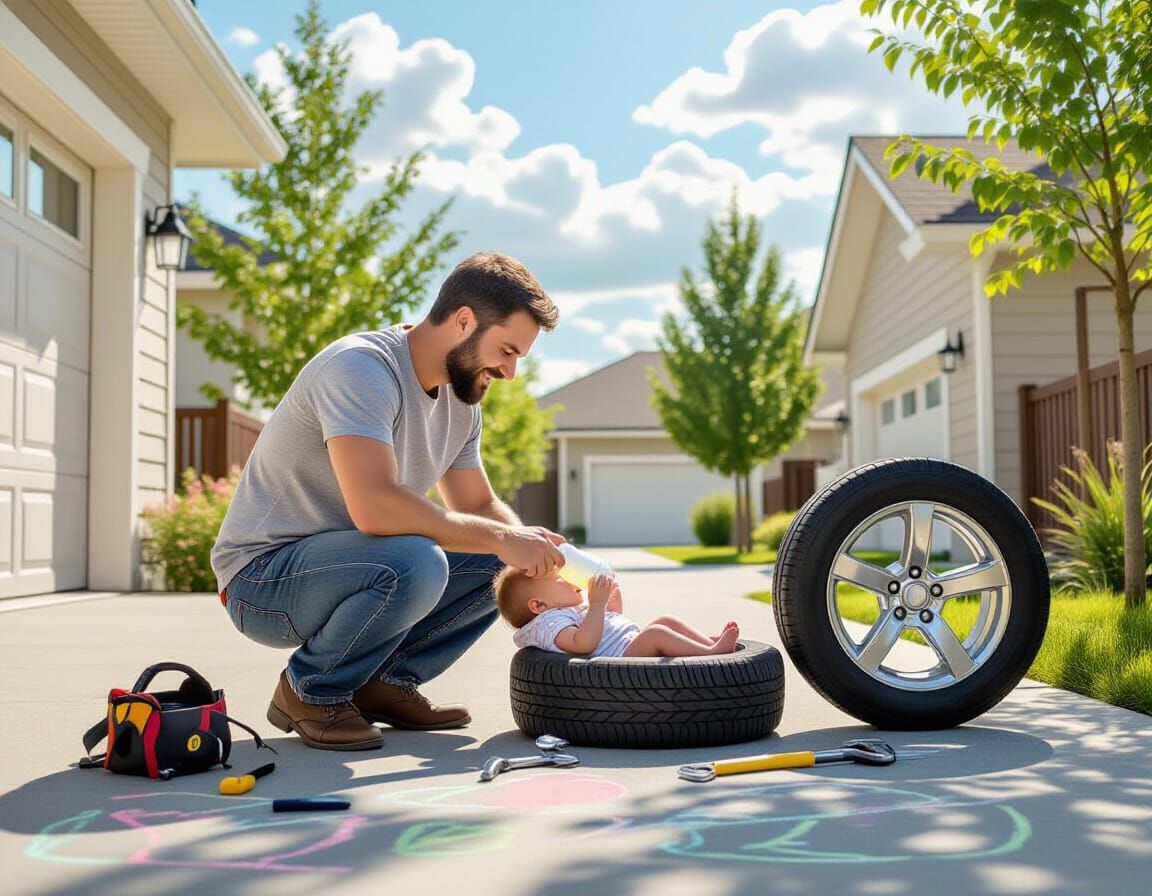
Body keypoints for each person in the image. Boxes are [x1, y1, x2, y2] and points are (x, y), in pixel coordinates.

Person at [212, 252, 565, 751]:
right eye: (506, 351)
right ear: (463, 320)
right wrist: (504, 537)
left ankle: (383, 683)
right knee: (415, 561)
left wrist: (532, 551)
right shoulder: (361, 368)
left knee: (498, 560)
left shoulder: (461, 403)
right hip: (262, 580)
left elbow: (481, 507)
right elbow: (374, 507)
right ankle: (309, 690)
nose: (509, 371)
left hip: (350, 565)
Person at [495, 568, 741, 658]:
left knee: (665, 621)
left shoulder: (566, 610)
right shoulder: (550, 623)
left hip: (628, 643)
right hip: (621, 658)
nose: (569, 578)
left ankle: (706, 644)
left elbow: (611, 621)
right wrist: (597, 604)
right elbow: (584, 644)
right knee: (656, 633)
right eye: (559, 578)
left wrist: (610, 602)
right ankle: (711, 653)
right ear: (538, 605)